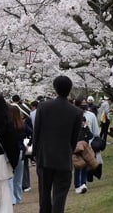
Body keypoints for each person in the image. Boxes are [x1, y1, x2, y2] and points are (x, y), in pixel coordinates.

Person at [33, 76, 83, 213]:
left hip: (45, 157)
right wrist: (68, 150)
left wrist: (35, 153)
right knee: (60, 197)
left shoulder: (43, 107)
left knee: (44, 194)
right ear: (70, 89)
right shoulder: (76, 112)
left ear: (55, 88)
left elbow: (36, 132)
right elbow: (74, 138)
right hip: (64, 157)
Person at [9, 104, 31, 205]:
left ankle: (11, 199)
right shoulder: (22, 124)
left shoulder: (7, 126)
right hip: (20, 152)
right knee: (18, 178)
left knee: (10, 176)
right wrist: (28, 144)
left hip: (9, 153)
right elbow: (33, 133)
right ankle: (18, 198)